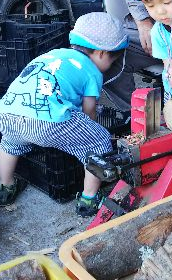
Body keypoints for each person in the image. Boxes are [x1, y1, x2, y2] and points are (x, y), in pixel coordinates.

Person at [0, 12, 129, 216]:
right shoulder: (92, 71)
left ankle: (5, 187)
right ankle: (89, 199)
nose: (109, 67)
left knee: (10, 143)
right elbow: (88, 112)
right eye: (112, 61)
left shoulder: (55, 54)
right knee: (97, 141)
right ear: (102, 53)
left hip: (8, 112)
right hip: (47, 120)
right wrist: (91, 131)